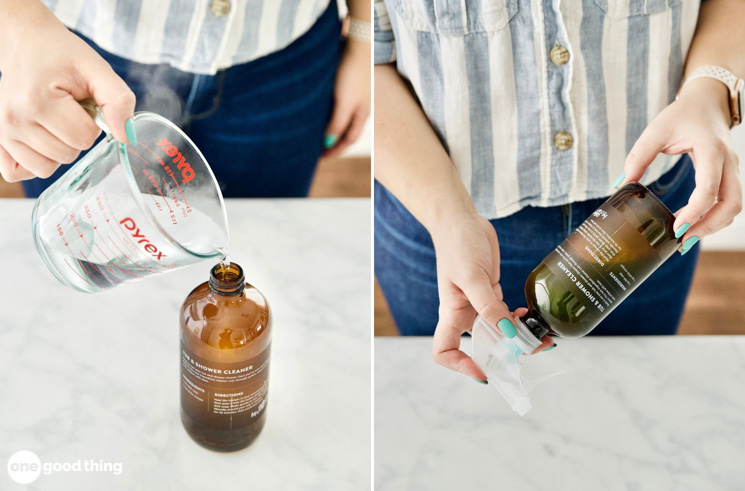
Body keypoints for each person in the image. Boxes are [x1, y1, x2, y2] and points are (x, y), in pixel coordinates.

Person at [374, 0, 743, 382]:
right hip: (444, 224)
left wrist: (710, 89)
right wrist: (450, 219)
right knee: (442, 402)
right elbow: (370, 50)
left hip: (650, 214)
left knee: (630, 388)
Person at [0, 0, 371, 198]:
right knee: (79, 254)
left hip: (283, 56)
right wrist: (18, 26)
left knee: (257, 251)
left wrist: (366, 32)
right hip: (72, 49)